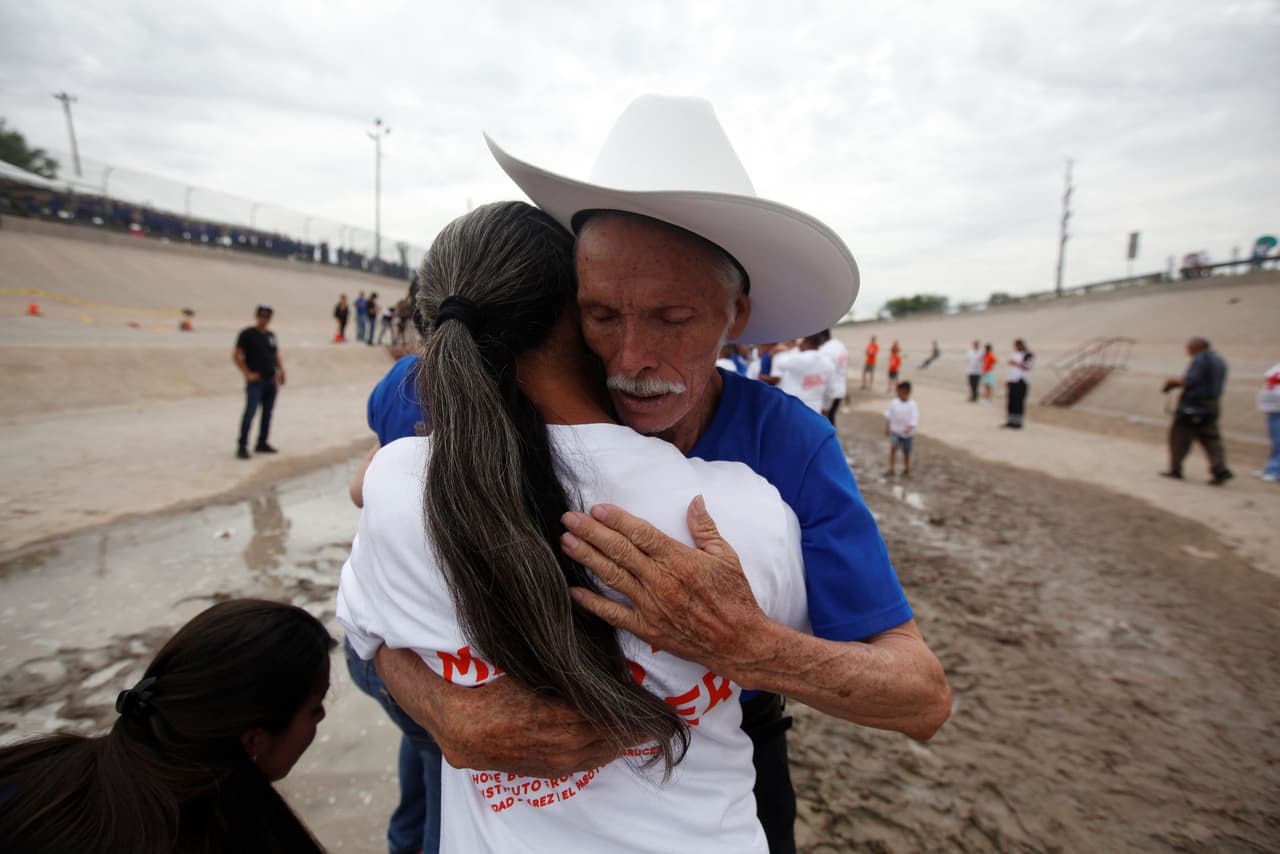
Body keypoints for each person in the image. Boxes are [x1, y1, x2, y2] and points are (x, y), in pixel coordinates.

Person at [373, 95, 949, 854]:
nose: (631, 358)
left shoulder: (788, 445)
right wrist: (441, 708)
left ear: (735, 315)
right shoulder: (449, 389)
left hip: (725, 748)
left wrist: (744, 643)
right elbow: (370, 574)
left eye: (672, 318)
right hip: (485, 753)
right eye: (601, 314)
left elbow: (920, 696)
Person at [338, 201, 809, 853]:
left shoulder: (396, 486)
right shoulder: (734, 513)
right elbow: (815, 657)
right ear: (579, 313)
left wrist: (444, 709)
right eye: (606, 310)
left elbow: (361, 637)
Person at [0, 599, 333, 853]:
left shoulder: (35, 772)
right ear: (253, 739)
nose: (321, 718)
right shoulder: (212, 836)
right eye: (314, 710)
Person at [1161, 336, 1232, 484]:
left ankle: (1176, 469)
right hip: (1211, 405)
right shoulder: (1219, 360)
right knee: (1211, 438)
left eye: (1189, 348)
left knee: (1180, 437)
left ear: (1196, 347)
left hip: (1194, 406)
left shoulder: (1201, 359)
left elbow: (1190, 381)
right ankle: (1220, 469)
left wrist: (1171, 382)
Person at [233, 304, 285, 459]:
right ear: (257, 316)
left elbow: (275, 355)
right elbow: (237, 355)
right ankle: (242, 445)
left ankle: (262, 442)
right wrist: (247, 373)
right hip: (256, 382)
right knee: (250, 412)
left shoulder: (270, 335)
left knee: (267, 414)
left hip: (270, 380)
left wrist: (281, 371)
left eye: (267, 316)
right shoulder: (247, 334)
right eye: (262, 316)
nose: (264, 319)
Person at [766, 333, 836, 413]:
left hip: (795, 409)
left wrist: (780, 350)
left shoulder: (800, 359)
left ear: (806, 341)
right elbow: (830, 390)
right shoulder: (828, 363)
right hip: (815, 409)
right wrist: (826, 408)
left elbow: (780, 364)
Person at [884, 381, 918, 477]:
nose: (898, 394)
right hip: (896, 431)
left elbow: (914, 418)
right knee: (893, 448)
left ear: (907, 392)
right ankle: (891, 468)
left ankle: (906, 468)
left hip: (908, 434)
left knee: (906, 451)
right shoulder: (894, 403)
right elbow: (889, 415)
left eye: (900, 392)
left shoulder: (912, 405)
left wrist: (910, 427)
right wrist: (887, 427)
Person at [817, 329, 849, 426]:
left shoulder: (825, 350)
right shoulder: (839, 345)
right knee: (831, 417)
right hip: (841, 388)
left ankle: (831, 439)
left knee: (827, 420)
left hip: (830, 391)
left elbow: (824, 374)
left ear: (821, 337)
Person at [1256, 362, 1280, 482]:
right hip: (1273, 409)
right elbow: (1269, 378)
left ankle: (1276, 471)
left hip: (1276, 409)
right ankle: (1272, 468)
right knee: (1276, 441)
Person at [1003, 338, 1033, 428]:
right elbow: (1011, 370)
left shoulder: (1028, 355)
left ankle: (1018, 422)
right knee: (1011, 401)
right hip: (1013, 380)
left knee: (1018, 402)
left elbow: (1028, 366)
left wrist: (1016, 363)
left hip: (1021, 381)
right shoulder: (1016, 354)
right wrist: (1007, 380)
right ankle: (1011, 421)